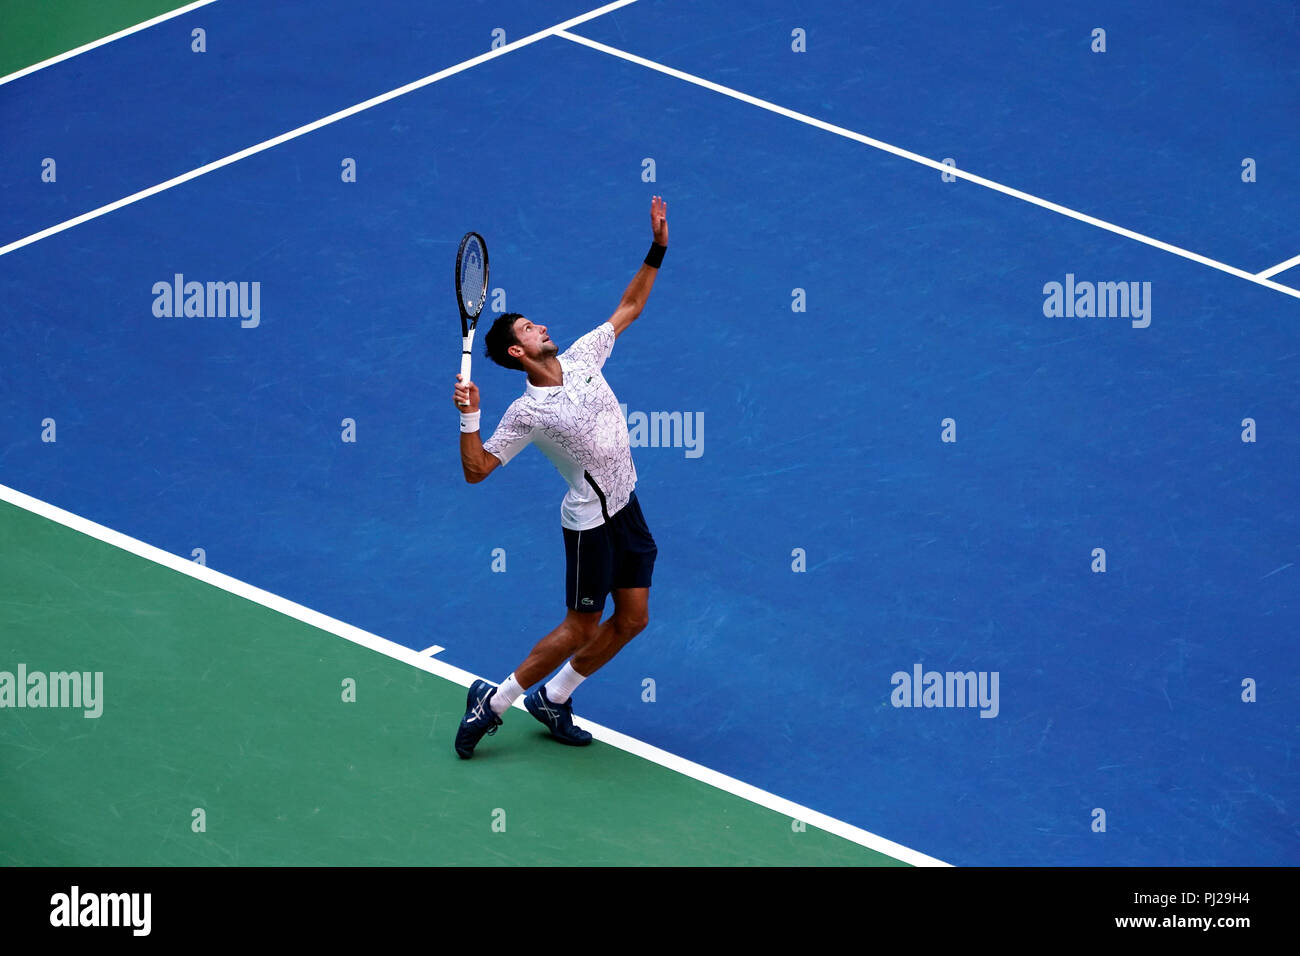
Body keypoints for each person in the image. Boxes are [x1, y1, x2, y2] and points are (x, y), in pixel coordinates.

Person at [451, 196, 668, 759]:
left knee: (634, 619)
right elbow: (477, 470)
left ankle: (556, 696)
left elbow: (629, 306)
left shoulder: (584, 356)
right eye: (529, 327)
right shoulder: (526, 413)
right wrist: (469, 416)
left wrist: (657, 249)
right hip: (590, 523)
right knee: (580, 627)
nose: (541, 325)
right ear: (517, 351)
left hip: (628, 505)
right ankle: (493, 704)